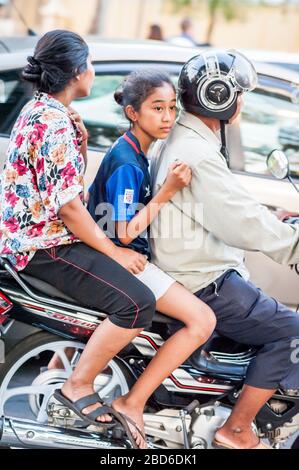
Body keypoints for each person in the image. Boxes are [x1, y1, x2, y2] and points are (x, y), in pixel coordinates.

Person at [0, 29, 157, 448]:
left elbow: (61, 187)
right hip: (45, 248)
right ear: (75, 71)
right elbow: (69, 207)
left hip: (36, 238)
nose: (91, 71)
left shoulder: (43, 111)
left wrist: (82, 142)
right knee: (137, 303)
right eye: (88, 64)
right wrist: (115, 253)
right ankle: (77, 385)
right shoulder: (52, 122)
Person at [150, 49, 299, 449]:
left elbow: (229, 205)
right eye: (240, 93)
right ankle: (236, 429)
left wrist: (276, 217)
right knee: (292, 333)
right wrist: (294, 247)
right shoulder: (197, 151)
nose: (243, 102)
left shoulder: (188, 139)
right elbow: (239, 221)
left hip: (194, 269)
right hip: (206, 281)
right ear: (219, 97)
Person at [87, 69, 216, 448]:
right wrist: (170, 190)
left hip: (121, 256)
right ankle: (133, 402)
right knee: (201, 320)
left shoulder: (136, 149)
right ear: (132, 113)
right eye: (157, 108)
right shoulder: (129, 161)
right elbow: (125, 232)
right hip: (123, 260)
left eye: (172, 108)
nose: (167, 117)